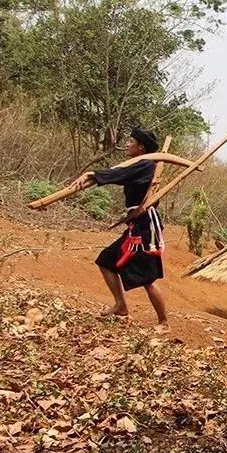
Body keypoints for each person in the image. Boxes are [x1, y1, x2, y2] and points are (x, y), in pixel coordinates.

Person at [70, 128, 169, 333]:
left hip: (145, 227)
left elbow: (119, 174)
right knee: (106, 260)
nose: (127, 144)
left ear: (141, 147)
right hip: (136, 225)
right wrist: (96, 175)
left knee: (147, 278)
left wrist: (92, 174)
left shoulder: (144, 165)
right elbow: (121, 173)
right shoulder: (140, 165)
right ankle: (121, 306)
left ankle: (164, 323)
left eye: (130, 141)